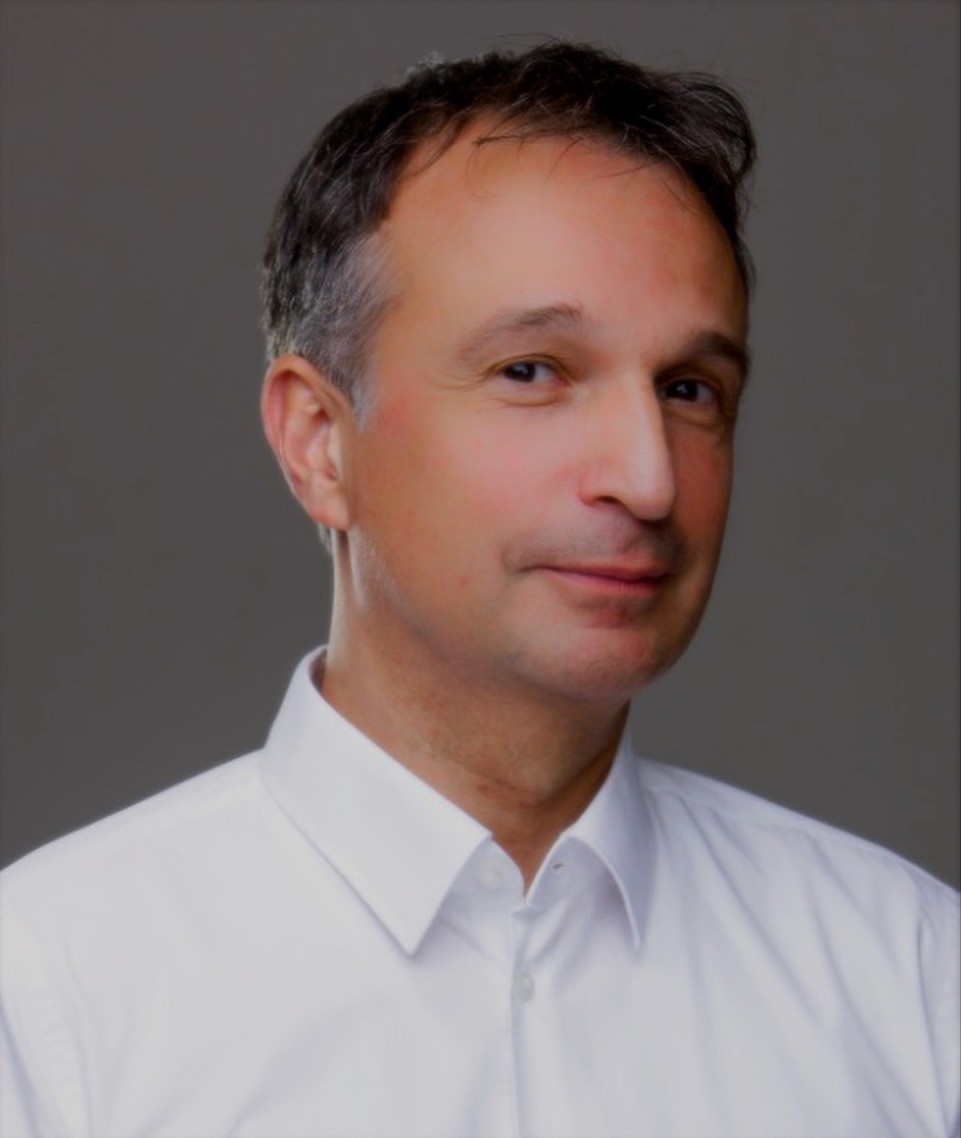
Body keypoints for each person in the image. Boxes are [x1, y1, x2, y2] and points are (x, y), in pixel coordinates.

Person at [1, 41, 957, 1138]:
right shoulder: (49, 1003)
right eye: (532, 371)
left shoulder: (912, 980)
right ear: (319, 442)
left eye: (690, 389)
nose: (649, 478)